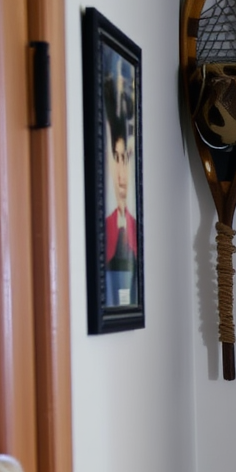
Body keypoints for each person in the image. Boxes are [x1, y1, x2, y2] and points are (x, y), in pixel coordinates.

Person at [104, 77, 138, 308]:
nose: (122, 175)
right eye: (117, 159)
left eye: (125, 158)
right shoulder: (105, 227)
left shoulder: (136, 228)